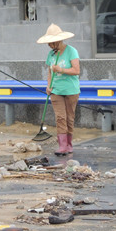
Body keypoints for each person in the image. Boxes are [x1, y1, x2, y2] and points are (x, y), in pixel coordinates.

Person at [36, 24, 80, 155]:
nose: (49, 45)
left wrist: (61, 70)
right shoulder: (51, 55)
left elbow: (76, 70)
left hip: (71, 90)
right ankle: (62, 146)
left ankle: (69, 145)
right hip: (56, 90)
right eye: (48, 43)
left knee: (69, 118)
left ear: (59, 40)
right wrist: (48, 86)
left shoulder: (71, 51)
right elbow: (49, 72)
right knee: (60, 117)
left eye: (51, 43)